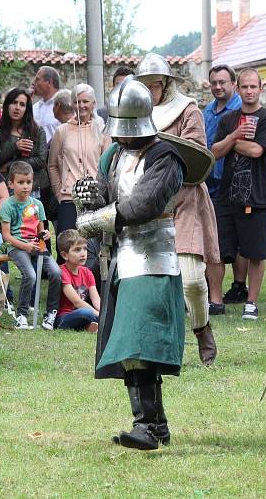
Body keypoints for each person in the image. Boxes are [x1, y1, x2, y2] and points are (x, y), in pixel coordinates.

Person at [74, 76, 194, 450]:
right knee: (131, 348)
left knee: (139, 344)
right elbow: (109, 195)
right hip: (120, 259)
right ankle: (154, 426)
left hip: (153, 258)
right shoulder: (115, 154)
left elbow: (144, 205)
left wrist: (94, 219)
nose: (122, 136)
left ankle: (147, 425)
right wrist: (90, 200)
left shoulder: (166, 158)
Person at [136, 52, 220, 363]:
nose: (148, 92)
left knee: (193, 280)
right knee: (151, 281)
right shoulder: (134, 113)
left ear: (165, 84)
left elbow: (197, 154)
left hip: (184, 200)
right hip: (148, 204)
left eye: (152, 85)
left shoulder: (187, 109)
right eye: (142, 86)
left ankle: (202, 330)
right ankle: (159, 343)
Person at [210, 68, 266, 321]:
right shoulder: (228, 120)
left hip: (257, 197)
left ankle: (251, 302)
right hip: (227, 195)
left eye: (253, 87)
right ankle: (215, 300)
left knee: (256, 252)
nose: (249, 91)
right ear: (237, 90)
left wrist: (231, 143)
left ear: (260, 89)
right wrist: (234, 136)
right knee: (217, 251)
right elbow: (214, 151)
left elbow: (257, 151)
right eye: (245, 87)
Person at [0, 161, 61, 330]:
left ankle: (51, 314)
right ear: (11, 183)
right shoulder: (7, 206)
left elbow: (41, 230)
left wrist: (45, 235)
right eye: (20, 182)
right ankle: (22, 315)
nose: (25, 186)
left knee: (56, 272)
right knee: (31, 275)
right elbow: (6, 236)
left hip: (36, 245)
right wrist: (26, 247)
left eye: (28, 182)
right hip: (17, 246)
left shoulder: (37, 204)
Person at [202, 64, 242, 316]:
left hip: (234, 182)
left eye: (223, 82)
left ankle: (238, 286)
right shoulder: (207, 110)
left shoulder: (241, 109)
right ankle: (213, 291)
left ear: (233, 84)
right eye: (214, 82)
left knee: (234, 242)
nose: (218, 86)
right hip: (209, 182)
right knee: (212, 241)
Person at [47, 83, 110, 236]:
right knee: (67, 247)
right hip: (69, 199)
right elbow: (52, 165)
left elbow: (108, 166)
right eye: (77, 101)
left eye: (85, 101)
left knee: (94, 249)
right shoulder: (62, 131)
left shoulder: (103, 130)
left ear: (93, 104)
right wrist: (59, 193)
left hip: (96, 199)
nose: (81, 105)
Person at [0, 87, 48, 192]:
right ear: (7, 105)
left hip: (34, 190)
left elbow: (41, 161)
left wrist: (10, 166)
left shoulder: (37, 131)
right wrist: (15, 147)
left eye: (22, 105)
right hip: (6, 190)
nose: (17, 108)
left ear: (27, 109)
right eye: (14, 103)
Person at [55, 229, 99, 332]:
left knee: (90, 314)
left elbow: (96, 299)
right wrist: (100, 315)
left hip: (82, 313)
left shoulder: (87, 272)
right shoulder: (62, 272)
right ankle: (95, 323)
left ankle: (89, 327)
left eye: (85, 249)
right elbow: (77, 302)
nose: (83, 253)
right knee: (85, 313)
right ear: (65, 255)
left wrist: (105, 313)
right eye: (77, 250)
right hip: (63, 318)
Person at [32, 66, 62, 143]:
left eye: (37, 80)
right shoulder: (34, 108)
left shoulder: (64, 105)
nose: (33, 83)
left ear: (49, 82)